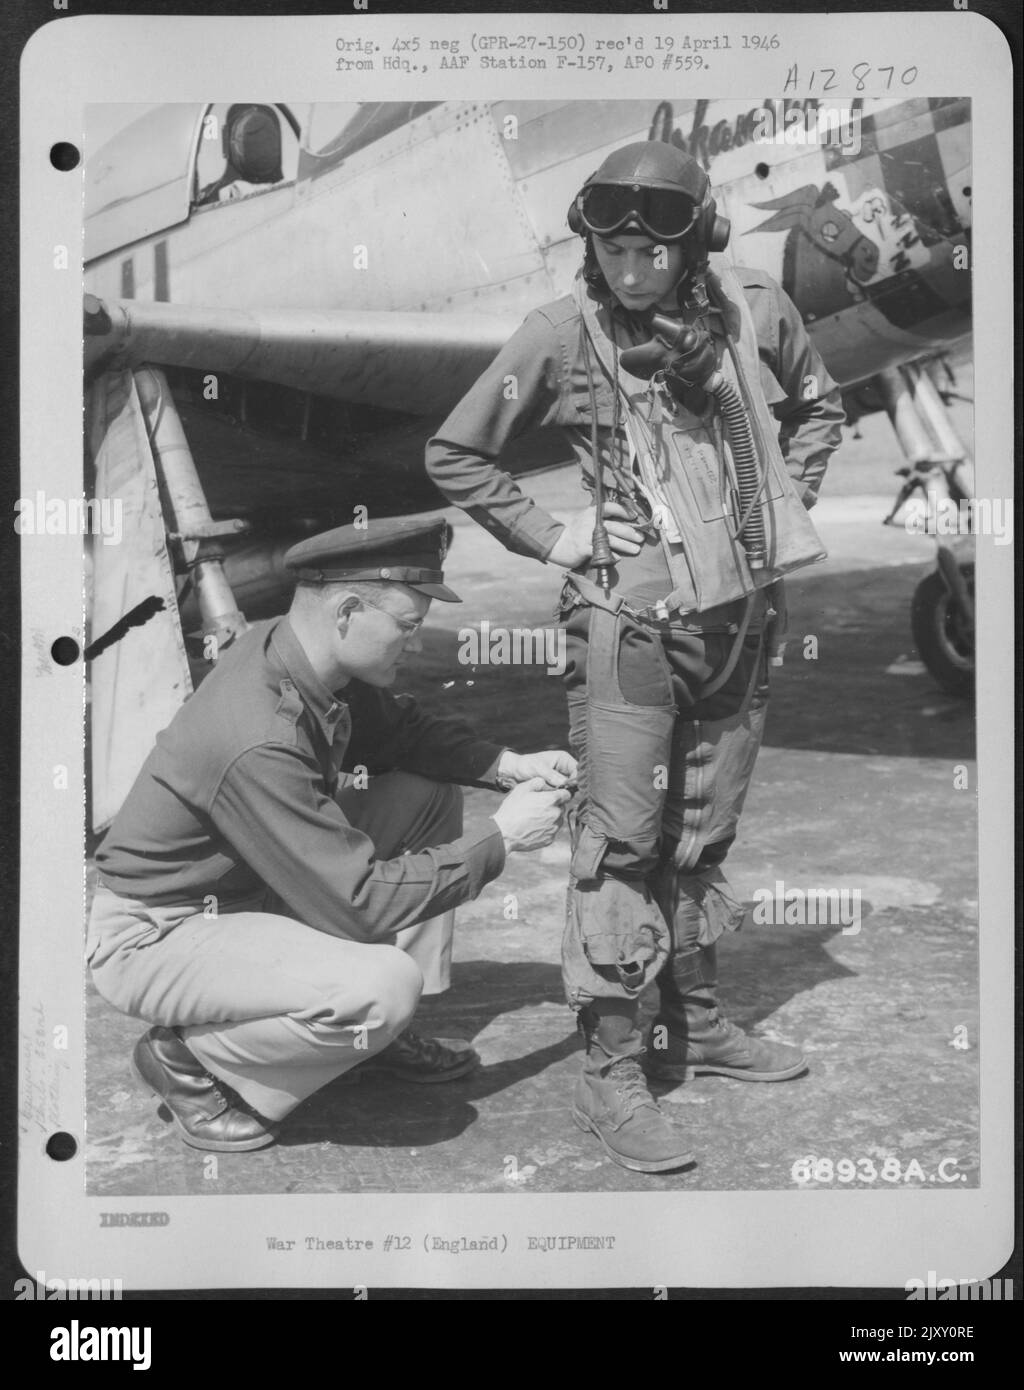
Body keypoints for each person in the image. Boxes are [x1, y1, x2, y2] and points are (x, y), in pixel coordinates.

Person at [426, 141, 845, 1173]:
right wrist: (556, 537)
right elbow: (455, 451)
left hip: (741, 618)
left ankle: (693, 1023)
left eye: (650, 251)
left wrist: (774, 510)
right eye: (610, 247)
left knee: (704, 827)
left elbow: (820, 405)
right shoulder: (561, 332)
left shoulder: (754, 307)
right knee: (619, 845)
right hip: (630, 630)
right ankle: (611, 1070)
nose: (629, 269)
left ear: (692, 245)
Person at [87, 516, 574, 1152]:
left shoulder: (301, 656)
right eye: (407, 627)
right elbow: (358, 899)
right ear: (347, 612)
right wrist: (502, 840)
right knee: (381, 988)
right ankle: (190, 1059)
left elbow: (402, 734)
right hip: (158, 933)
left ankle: (369, 1041)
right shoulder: (257, 735)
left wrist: (507, 765)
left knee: (424, 794)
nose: (416, 644)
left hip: (248, 888)